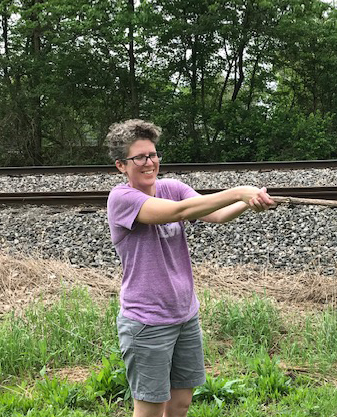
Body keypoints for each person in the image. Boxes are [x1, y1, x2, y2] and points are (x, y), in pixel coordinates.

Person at [105, 119, 275, 417]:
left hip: (185, 315)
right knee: (150, 410)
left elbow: (218, 214)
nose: (150, 162)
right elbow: (180, 212)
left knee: (181, 404)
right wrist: (238, 191)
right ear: (121, 165)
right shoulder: (122, 199)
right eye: (140, 157)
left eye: (153, 154)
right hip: (147, 321)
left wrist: (250, 201)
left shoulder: (172, 187)